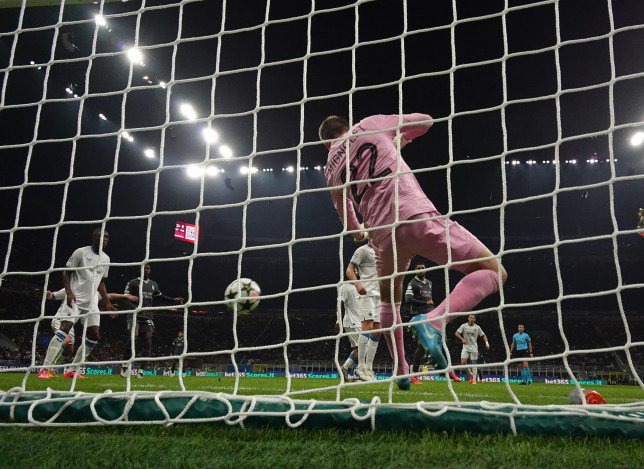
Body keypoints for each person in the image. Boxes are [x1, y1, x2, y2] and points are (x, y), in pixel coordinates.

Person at [320, 114, 507, 390]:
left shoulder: (331, 169)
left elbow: (351, 226)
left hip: (381, 237)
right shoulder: (369, 125)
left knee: (388, 304)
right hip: (414, 214)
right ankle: (435, 320)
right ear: (346, 127)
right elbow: (425, 122)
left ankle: (401, 369)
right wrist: (397, 142)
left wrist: (361, 231)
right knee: (494, 271)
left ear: (327, 145)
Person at [39, 228, 116, 379]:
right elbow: (66, 272)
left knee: (94, 335)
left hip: (91, 303)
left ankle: (72, 370)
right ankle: (44, 369)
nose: (104, 239)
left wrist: (107, 302)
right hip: (75, 299)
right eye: (101, 236)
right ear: (93, 238)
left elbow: (101, 283)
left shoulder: (106, 258)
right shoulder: (80, 252)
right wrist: (68, 292)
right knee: (65, 328)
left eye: (107, 237)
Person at [39, 288, 137, 378]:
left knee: (69, 350)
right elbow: (53, 296)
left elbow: (109, 295)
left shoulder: (94, 291)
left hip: (71, 325)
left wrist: (125, 296)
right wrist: (47, 294)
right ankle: (46, 368)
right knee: (66, 339)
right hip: (60, 320)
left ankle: (67, 370)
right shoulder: (72, 286)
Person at [120, 264, 184, 377]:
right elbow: (125, 299)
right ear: (140, 269)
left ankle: (141, 370)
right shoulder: (133, 282)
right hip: (134, 315)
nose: (147, 270)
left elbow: (160, 297)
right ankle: (124, 365)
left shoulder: (153, 284)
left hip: (148, 316)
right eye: (144, 268)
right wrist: (135, 309)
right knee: (133, 338)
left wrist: (173, 300)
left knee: (148, 340)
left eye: (148, 268)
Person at [405, 263, 462, 383]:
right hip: (419, 317)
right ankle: (415, 375)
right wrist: (424, 304)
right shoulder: (412, 283)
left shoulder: (429, 283)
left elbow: (428, 300)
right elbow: (408, 299)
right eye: (418, 268)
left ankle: (446, 372)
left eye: (422, 267)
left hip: (432, 317)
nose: (421, 269)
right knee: (421, 346)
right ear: (415, 270)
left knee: (441, 343)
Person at [346, 242, 381, 379]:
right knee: (368, 326)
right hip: (367, 293)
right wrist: (357, 284)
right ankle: (359, 367)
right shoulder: (362, 250)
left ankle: (368, 368)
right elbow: (349, 270)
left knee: (378, 331)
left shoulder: (383, 250)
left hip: (380, 295)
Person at [337, 283, 373, 382]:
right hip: (353, 322)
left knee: (358, 349)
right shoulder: (345, 287)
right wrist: (338, 319)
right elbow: (339, 303)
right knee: (362, 348)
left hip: (360, 322)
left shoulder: (360, 285)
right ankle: (347, 368)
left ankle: (353, 372)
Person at [455, 314, 489, 384]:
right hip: (465, 347)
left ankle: (474, 380)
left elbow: (483, 335)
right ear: (468, 318)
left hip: (474, 348)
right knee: (463, 363)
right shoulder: (464, 326)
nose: (472, 319)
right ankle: (471, 375)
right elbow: (456, 333)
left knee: (474, 363)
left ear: (474, 320)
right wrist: (462, 339)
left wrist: (487, 343)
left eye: (473, 318)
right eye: (470, 317)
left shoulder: (477, 327)